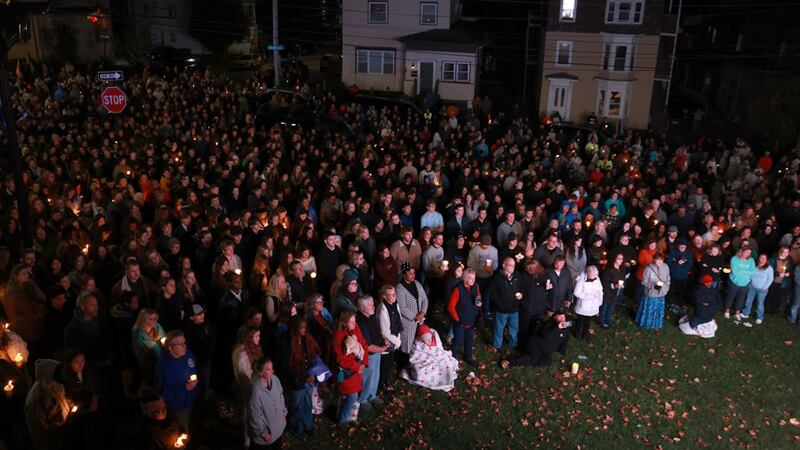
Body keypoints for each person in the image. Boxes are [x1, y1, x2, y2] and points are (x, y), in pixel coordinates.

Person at [154, 331, 199, 430]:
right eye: (180, 344)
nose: (184, 346)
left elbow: (194, 367)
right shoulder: (164, 367)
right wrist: (186, 388)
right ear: (170, 348)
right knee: (182, 429)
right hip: (178, 407)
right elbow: (163, 393)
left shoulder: (188, 354)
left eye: (184, 342)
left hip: (190, 400)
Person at [286, 317, 321, 438]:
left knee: (308, 403)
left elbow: (315, 355)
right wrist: (304, 376)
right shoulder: (288, 343)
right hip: (297, 380)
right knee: (297, 406)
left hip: (309, 378)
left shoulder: (308, 339)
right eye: (301, 328)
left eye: (305, 328)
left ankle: (308, 425)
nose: (303, 330)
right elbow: (288, 366)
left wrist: (312, 373)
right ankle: (297, 428)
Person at [501, 310, 571, 368]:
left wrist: (562, 351)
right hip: (536, 344)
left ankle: (524, 353)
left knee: (547, 361)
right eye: (560, 316)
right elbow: (545, 335)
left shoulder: (566, 327)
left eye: (563, 316)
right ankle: (509, 362)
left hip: (545, 350)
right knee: (534, 358)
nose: (562, 319)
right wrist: (557, 328)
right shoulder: (549, 323)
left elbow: (565, 339)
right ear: (555, 317)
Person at [332, 310, 367, 425]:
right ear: (344, 323)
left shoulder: (355, 328)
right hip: (347, 371)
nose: (354, 323)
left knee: (354, 394)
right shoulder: (338, 335)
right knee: (352, 395)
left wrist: (363, 362)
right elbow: (341, 358)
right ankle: (342, 418)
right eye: (351, 322)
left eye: (355, 321)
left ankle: (351, 416)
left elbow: (363, 343)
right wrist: (357, 367)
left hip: (357, 369)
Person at [399, 325, 458, 391]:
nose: (428, 341)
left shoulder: (436, 340)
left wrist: (436, 359)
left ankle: (441, 378)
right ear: (421, 339)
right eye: (426, 340)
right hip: (424, 363)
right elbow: (414, 357)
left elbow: (440, 351)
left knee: (446, 368)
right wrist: (427, 361)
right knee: (419, 374)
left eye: (429, 339)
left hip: (437, 360)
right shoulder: (417, 344)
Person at [232, 326, 262, 449]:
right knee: (246, 414)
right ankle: (247, 439)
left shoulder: (254, 347)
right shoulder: (241, 354)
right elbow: (245, 377)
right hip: (246, 390)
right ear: (249, 338)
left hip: (255, 388)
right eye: (256, 336)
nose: (259, 339)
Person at [248, 358, 287, 450]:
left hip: (278, 431)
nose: (273, 371)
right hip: (265, 439)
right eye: (269, 369)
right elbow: (255, 416)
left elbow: (281, 397)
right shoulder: (256, 391)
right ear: (261, 372)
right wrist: (264, 434)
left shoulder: (275, 379)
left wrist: (284, 414)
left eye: (272, 368)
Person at [488, 257, 523, 352]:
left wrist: (520, 297)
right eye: (510, 265)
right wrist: (501, 304)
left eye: (514, 265)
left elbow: (521, 288)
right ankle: (497, 345)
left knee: (514, 328)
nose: (512, 267)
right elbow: (493, 294)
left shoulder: (517, 276)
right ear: (504, 265)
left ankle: (513, 343)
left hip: (514, 309)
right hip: (501, 310)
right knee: (499, 328)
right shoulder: (497, 278)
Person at [447, 268, 481, 365]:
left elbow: (478, 297)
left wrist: (479, 303)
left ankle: (469, 357)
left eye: (474, 278)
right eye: (470, 278)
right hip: (460, 322)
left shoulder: (476, 286)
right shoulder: (458, 289)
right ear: (465, 278)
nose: (473, 281)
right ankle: (452, 359)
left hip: (472, 319)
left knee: (469, 340)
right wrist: (457, 319)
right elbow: (451, 307)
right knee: (457, 341)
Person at [395, 263, 429, 357]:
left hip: (420, 319)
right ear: (404, 274)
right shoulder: (399, 288)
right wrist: (415, 317)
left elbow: (425, 299)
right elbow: (402, 308)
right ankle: (403, 364)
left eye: (414, 273)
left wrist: (422, 313)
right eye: (410, 273)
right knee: (407, 345)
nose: (413, 275)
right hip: (408, 322)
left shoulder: (417, 284)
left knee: (418, 343)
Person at [377, 285, 403, 390]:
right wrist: (398, 342)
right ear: (384, 296)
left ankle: (387, 381)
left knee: (390, 363)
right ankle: (381, 384)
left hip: (395, 339)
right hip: (387, 341)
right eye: (391, 295)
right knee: (385, 364)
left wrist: (398, 338)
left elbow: (398, 321)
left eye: (394, 294)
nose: (394, 296)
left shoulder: (395, 305)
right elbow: (385, 331)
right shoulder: (383, 309)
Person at [132, 308, 167, 384]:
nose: (154, 321)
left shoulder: (157, 326)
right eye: (151, 319)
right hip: (152, 367)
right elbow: (142, 356)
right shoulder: (138, 337)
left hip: (164, 359)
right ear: (143, 320)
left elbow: (165, 338)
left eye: (155, 318)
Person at [636, 254, 671, 330]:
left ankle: (656, 324)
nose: (659, 262)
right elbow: (644, 281)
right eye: (657, 260)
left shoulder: (666, 267)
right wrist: (652, 286)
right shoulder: (648, 268)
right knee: (650, 309)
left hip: (662, 293)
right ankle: (646, 324)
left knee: (658, 310)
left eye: (661, 260)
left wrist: (666, 288)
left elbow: (668, 279)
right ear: (654, 260)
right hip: (651, 293)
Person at [741, 254, 774, 325]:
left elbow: (770, 279)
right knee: (748, 301)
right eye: (761, 257)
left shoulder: (769, 268)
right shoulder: (755, 266)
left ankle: (759, 317)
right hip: (752, 287)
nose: (762, 259)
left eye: (764, 258)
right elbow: (750, 274)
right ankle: (746, 313)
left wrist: (765, 287)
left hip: (762, 289)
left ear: (766, 260)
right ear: (759, 258)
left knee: (760, 304)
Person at [724, 247, 755, 320]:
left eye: (749, 253)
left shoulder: (751, 260)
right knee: (730, 297)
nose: (748, 254)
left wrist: (741, 270)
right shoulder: (734, 259)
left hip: (745, 283)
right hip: (734, 282)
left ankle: (737, 313)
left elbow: (753, 272)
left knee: (741, 299)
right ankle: (727, 311)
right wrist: (746, 272)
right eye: (746, 252)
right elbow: (735, 272)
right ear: (741, 251)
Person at [572, 265, 603, 340]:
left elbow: (600, 290)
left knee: (588, 321)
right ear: (588, 273)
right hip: (583, 305)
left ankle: (585, 334)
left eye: (595, 275)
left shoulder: (597, 279)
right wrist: (587, 296)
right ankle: (577, 333)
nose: (594, 277)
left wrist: (599, 302)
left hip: (593, 305)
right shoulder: (581, 280)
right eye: (592, 275)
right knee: (580, 320)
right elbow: (576, 292)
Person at [599, 253, 626, 328]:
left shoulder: (621, 270)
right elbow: (604, 282)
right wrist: (614, 285)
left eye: (622, 259)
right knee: (604, 307)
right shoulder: (609, 270)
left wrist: (621, 285)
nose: (620, 260)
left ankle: (608, 321)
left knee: (611, 307)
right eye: (619, 258)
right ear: (614, 259)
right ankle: (602, 322)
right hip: (607, 292)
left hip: (615, 293)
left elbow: (623, 279)